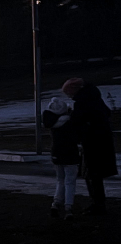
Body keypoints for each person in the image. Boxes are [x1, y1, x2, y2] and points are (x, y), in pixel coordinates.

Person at [67, 78, 114, 217]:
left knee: (92, 174)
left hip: (92, 143)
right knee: (95, 175)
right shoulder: (94, 98)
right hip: (101, 141)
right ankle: (99, 203)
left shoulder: (83, 102)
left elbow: (78, 121)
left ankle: (98, 204)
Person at [42, 88, 79, 218]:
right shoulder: (69, 122)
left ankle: (56, 202)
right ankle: (68, 206)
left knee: (60, 180)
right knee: (70, 181)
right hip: (71, 154)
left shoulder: (52, 124)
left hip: (56, 153)